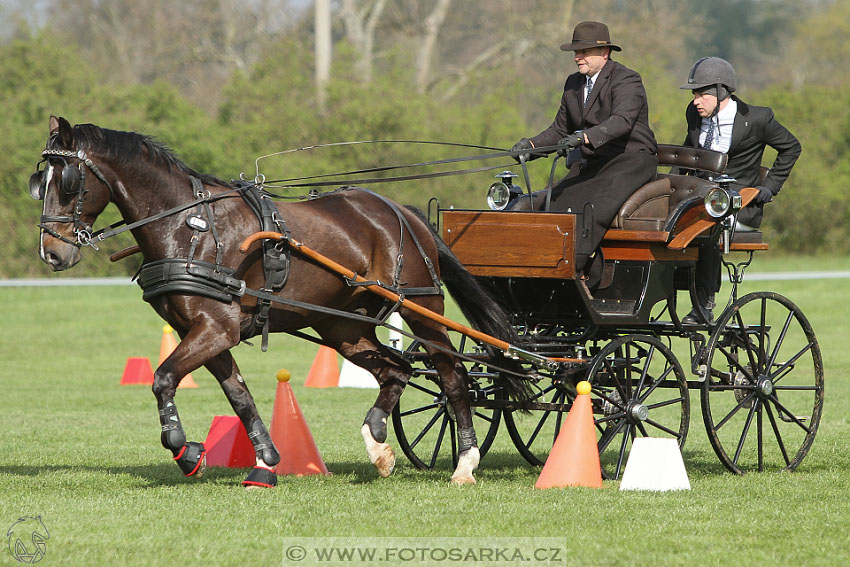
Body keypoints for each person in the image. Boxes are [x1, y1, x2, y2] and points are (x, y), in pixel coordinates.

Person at [510, 20, 658, 283]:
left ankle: (571, 271)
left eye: (583, 52)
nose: (577, 58)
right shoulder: (573, 84)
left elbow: (621, 121)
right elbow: (559, 129)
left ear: (604, 53)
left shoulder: (627, 80)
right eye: (576, 52)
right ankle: (540, 267)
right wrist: (531, 147)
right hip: (593, 162)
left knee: (593, 209)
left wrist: (585, 136)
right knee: (555, 201)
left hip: (630, 160)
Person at [678, 57, 801, 323]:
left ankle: (703, 303)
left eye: (701, 94)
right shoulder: (694, 114)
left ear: (721, 92)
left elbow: (792, 147)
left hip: (739, 206)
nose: (695, 100)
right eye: (694, 94)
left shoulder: (758, 119)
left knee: (707, 224)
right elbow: (689, 155)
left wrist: (768, 187)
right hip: (699, 199)